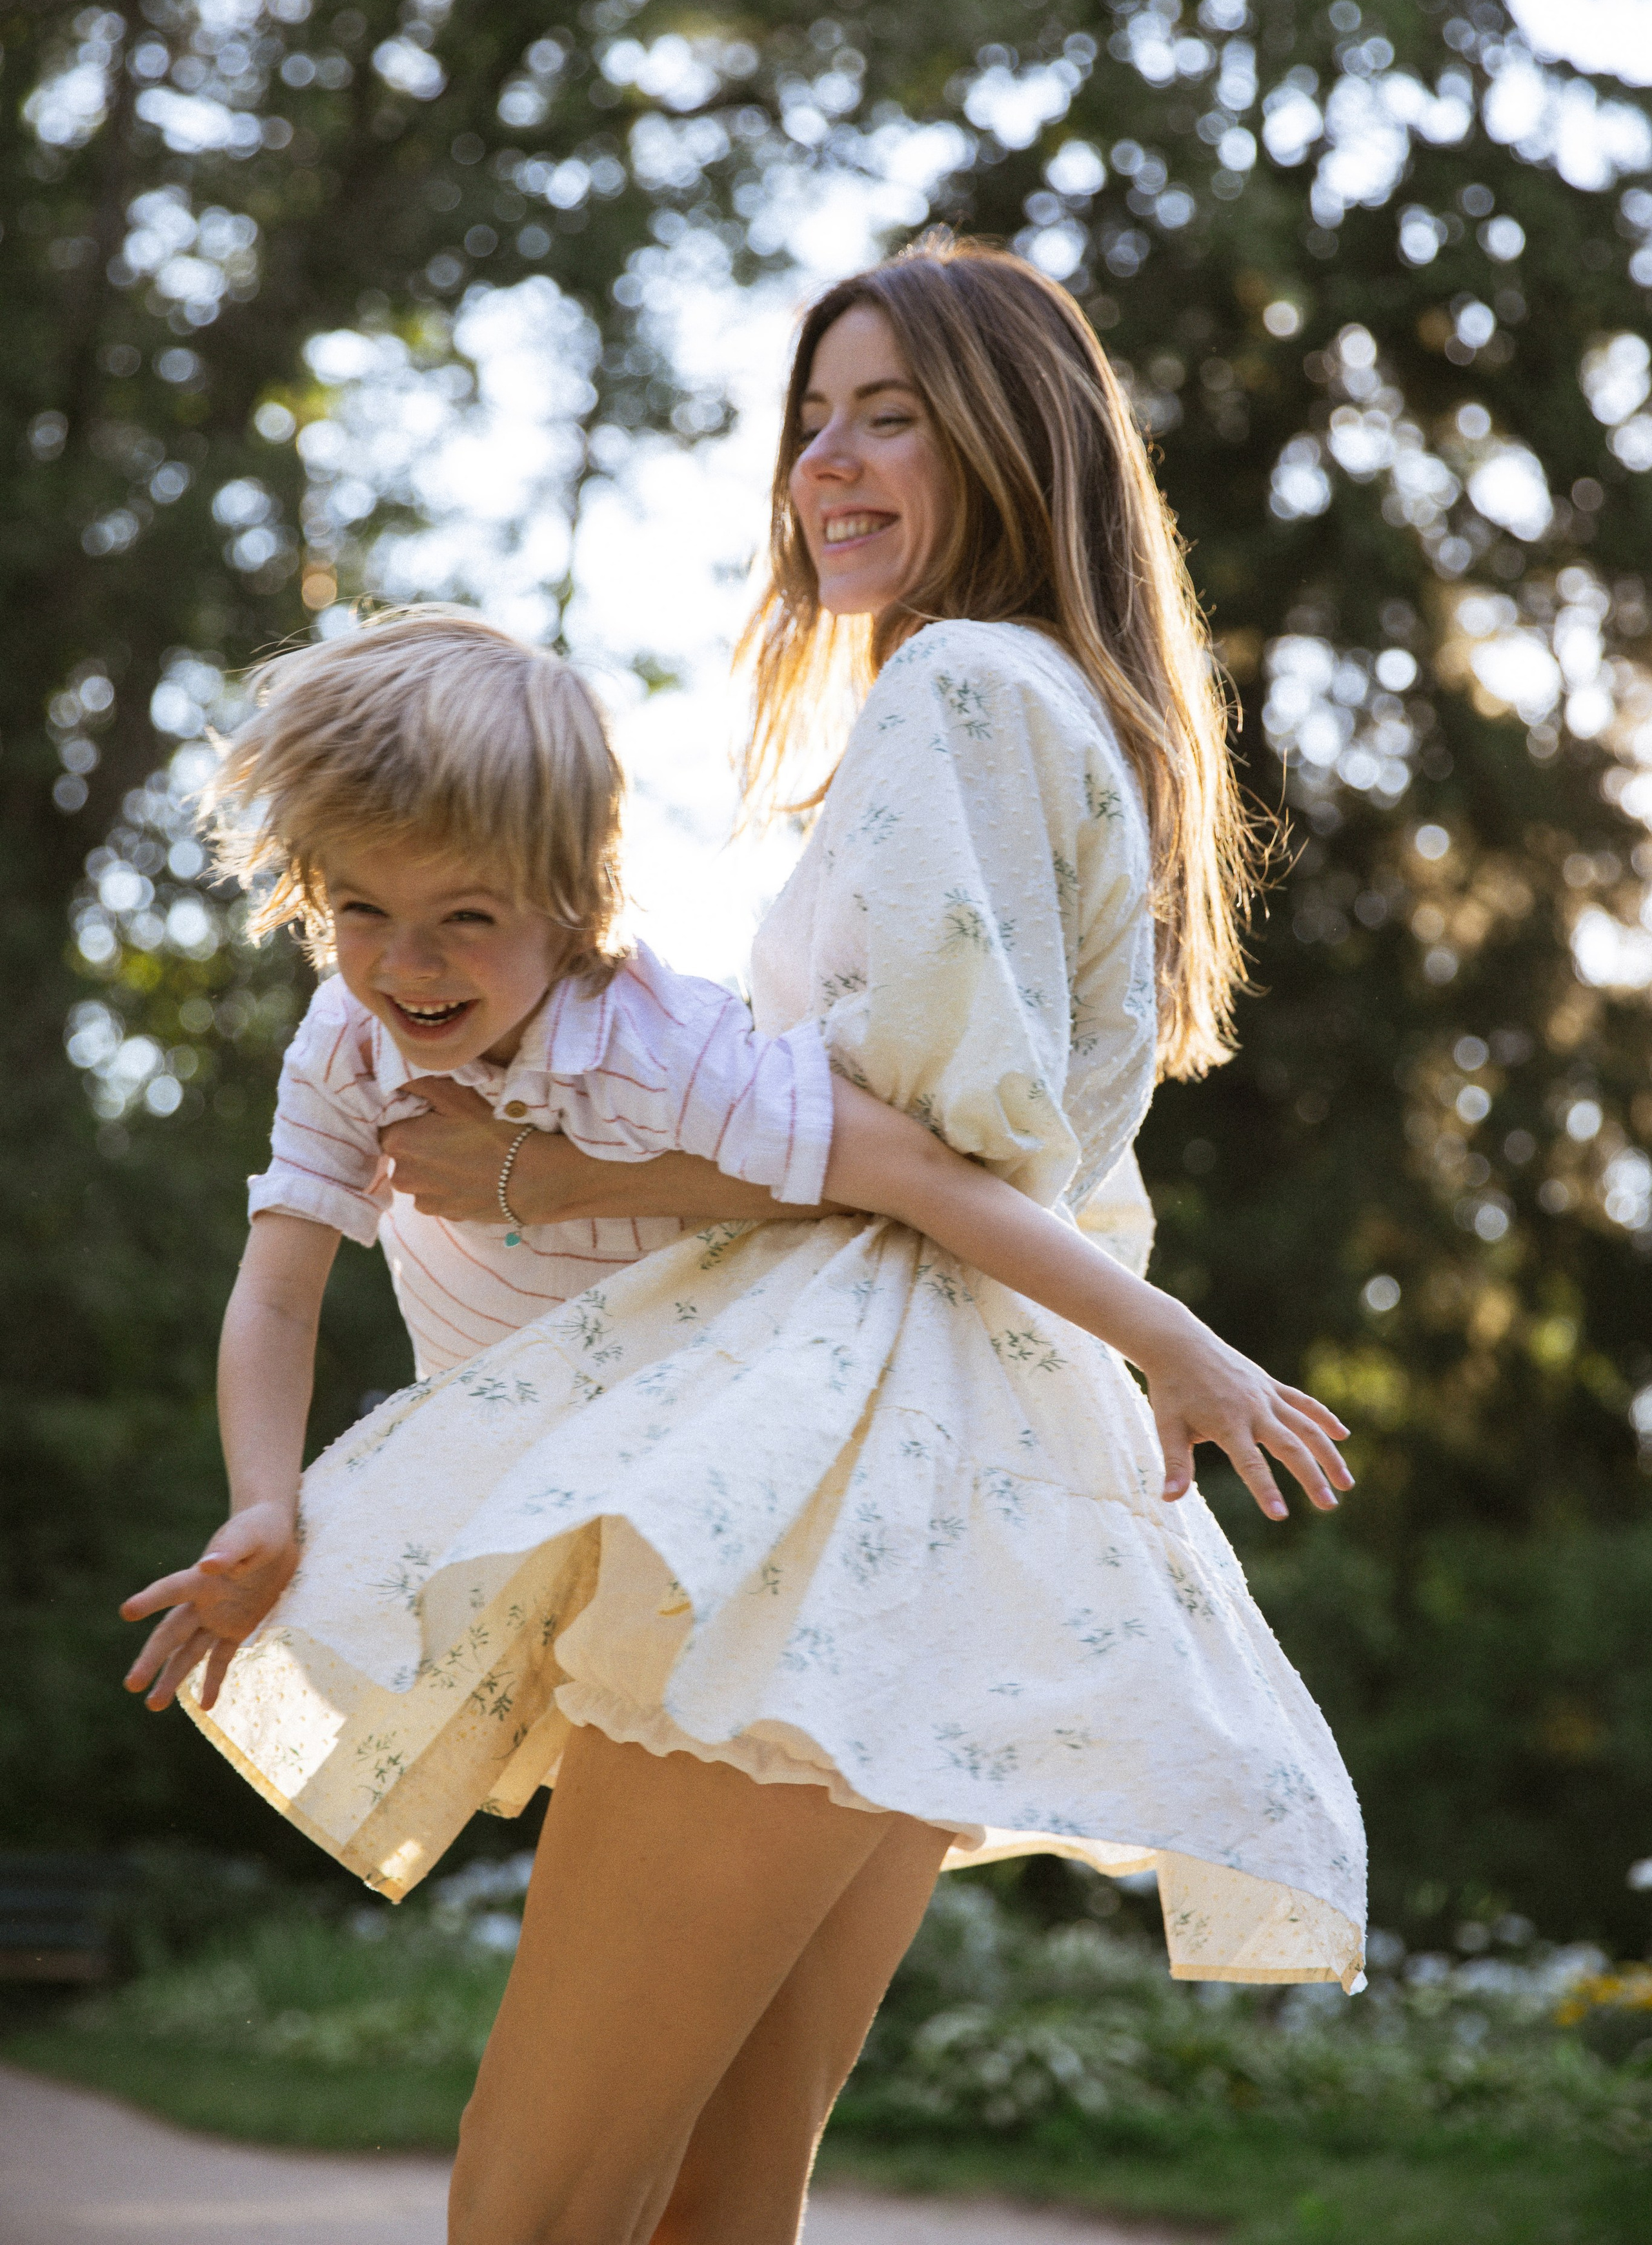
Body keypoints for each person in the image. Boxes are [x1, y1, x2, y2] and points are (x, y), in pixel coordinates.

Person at [124, 239, 1365, 2245]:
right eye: (812, 424)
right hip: (942, 1480)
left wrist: (518, 1178)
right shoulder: (1066, 705)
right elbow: (942, 1158)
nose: (832, 467)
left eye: (891, 417)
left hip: (823, 1481)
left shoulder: (964, 684)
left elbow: (909, 1156)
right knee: (723, 2201)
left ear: (1013, 438)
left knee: (532, 2206)